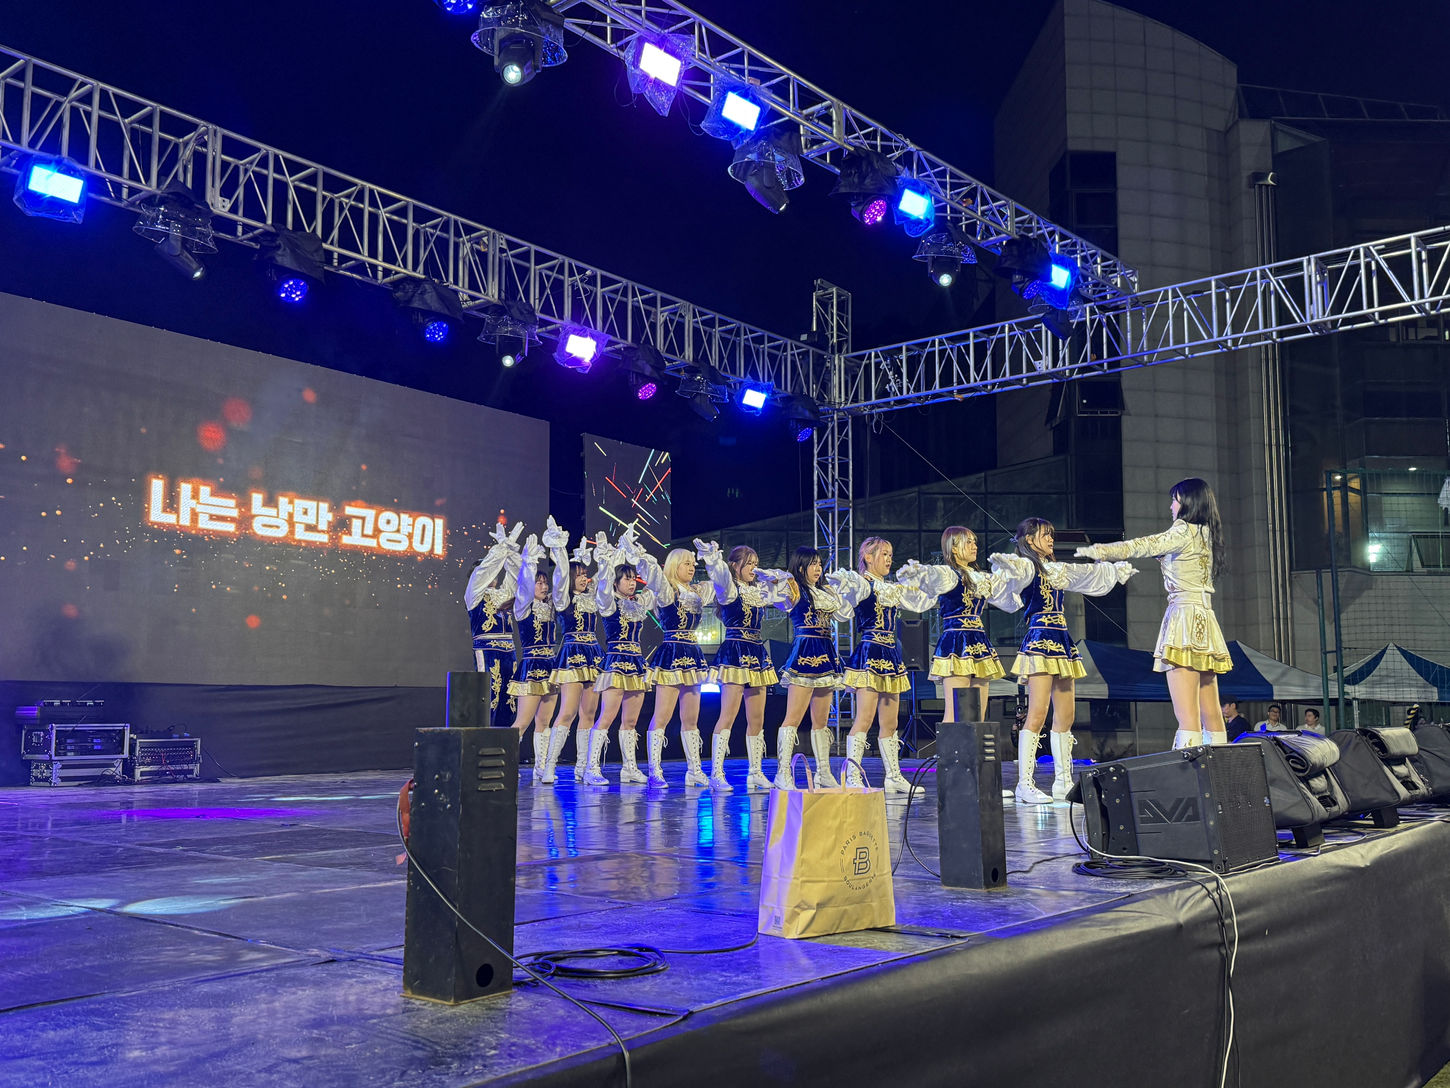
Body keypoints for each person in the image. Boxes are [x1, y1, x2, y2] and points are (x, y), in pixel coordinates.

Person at [1076, 478, 1231, 755]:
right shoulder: (1207, 533)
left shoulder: (1182, 531)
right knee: (1212, 712)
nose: (1171, 506)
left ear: (1187, 502)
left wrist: (1101, 550)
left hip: (1184, 617)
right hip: (1205, 619)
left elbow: (1143, 545)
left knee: (1188, 715)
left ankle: (1188, 774)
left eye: (1175, 500)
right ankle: (1223, 773)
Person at [991, 518, 1136, 804]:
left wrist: (1111, 571)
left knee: (1066, 715)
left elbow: (1083, 575)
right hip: (1039, 639)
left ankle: (1063, 781)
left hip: (1062, 640)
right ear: (1029, 539)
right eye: (1045, 535)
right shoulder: (1027, 567)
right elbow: (1014, 577)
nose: (1051, 539)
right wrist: (1007, 565)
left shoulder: (1055, 569)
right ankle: (1025, 783)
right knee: (1037, 713)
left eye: (1052, 535)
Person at [826, 537, 934, 792]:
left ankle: (893, 776)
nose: (889, 559)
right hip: (870, 651)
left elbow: (921, 601)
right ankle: (852, 775)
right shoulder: (863, 584)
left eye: (890, 554)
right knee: (864, 718)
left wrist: (921, 579)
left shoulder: (891, 588)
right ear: (868, 557)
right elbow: (844, 605)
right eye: (884, 554)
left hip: (890, 654)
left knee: (891, 722)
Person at [895, 526, 1020, 725]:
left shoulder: (981, 577)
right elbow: (932, 577)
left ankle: (973, 747)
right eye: (968, 542)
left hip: (979, 642)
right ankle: (950, 747)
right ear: (953, 548)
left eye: (974, 542)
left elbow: (1007, 595)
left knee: (977, 715)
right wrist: (919, 573)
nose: (974, 546)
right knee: (955, 714)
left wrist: (1013, 570)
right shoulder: (949, 575)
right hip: (956, 642)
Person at [635, 536, 723, 788]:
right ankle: (655, 770)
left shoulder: (698, 591)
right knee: (662, 715)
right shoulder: (667, 589)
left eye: (693, 563)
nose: (692, 567)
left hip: (693, 654)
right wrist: (641, 557)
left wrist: (713, 560)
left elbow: (722, 582)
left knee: (691, 718)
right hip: (671, 653)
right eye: (686, 563)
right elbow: (653, 575)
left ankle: (694, 769)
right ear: (675, 565)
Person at [707, 545, 789, 791]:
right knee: (728, 715)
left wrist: (772, 578)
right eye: (749, 563)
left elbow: (785, 592)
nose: (754, 568)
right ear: (735, 566)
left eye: (755, 563)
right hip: (735, 651)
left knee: (757, 717)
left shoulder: (759, 590)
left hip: (756, 652)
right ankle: (716, 773)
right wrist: (713, 558)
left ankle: (755, 772)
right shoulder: (729, 589)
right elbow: (720, 575)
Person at [581, 531, 655, 786]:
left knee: (631, 720)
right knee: (607, 716)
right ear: (616, 583)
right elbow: (602, 587)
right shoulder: (609, 603)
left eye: (634, 578)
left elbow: (656, 586)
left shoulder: (640, 603)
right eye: (626, 579)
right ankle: (591, 768)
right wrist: (606, 559)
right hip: (615, 663)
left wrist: (639, 555)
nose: (632, 583)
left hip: (637, 664)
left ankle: (629, 768)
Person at [773, 546, 846, 789]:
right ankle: (783, 772)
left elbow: (844, 614)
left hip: (826, 652)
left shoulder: (825, 591)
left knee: (821, 720)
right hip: (805, 651)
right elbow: (777, 597)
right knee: (793, 716)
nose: (818, 568)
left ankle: (823, 771)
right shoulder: (793, 588)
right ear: (801, 566)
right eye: (813, 564)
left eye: (820, 564)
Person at [537, 519, 600, 785]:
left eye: (586, 574)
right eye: (580, 574)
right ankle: (549, 765)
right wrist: (560, 550)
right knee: (567, 712)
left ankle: (583, 768)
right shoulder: (564, 598)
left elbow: (606, 579)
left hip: (594, 655)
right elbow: (562, 576)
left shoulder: (592, 597)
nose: (585, 578)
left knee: (589, 714)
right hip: (572, 654)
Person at [463, 521, 525, 730]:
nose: (492, 573)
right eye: (488, 570)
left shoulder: (503, 594)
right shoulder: (474, 594)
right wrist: (501, 548)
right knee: (489, 695)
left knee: (510, 698)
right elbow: (484, 571)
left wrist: (511, 553)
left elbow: (516, 577)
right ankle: (484, 737)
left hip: (509, 652)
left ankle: (506, 740)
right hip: (488, 651)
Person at [508, 534, 560, 766]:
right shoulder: (523, 608)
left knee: (544, 722)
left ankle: (541, 766)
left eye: (545, 583)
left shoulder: (551, 607)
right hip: (531, 668)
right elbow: (524, 588)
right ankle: (506, 764)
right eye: (539, 583)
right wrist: (528, 563)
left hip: (551, 667)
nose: (543, 586)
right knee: (522, 723)